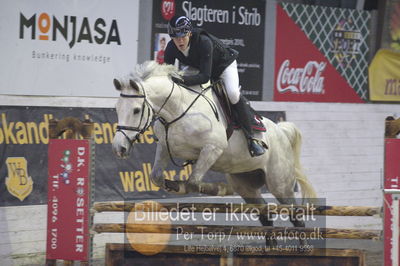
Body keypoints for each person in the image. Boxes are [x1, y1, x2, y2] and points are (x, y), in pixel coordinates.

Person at [164, 15, 265, 157]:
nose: (179, 41)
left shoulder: (204, 42)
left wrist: (181, 79)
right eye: (175, 37)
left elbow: (205, 77)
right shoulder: (170, 47)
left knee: (233, 94)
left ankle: (251, 138)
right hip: (199, 66)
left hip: (224, 65)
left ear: (190, 33)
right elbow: (167, 73)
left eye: (183, 36)